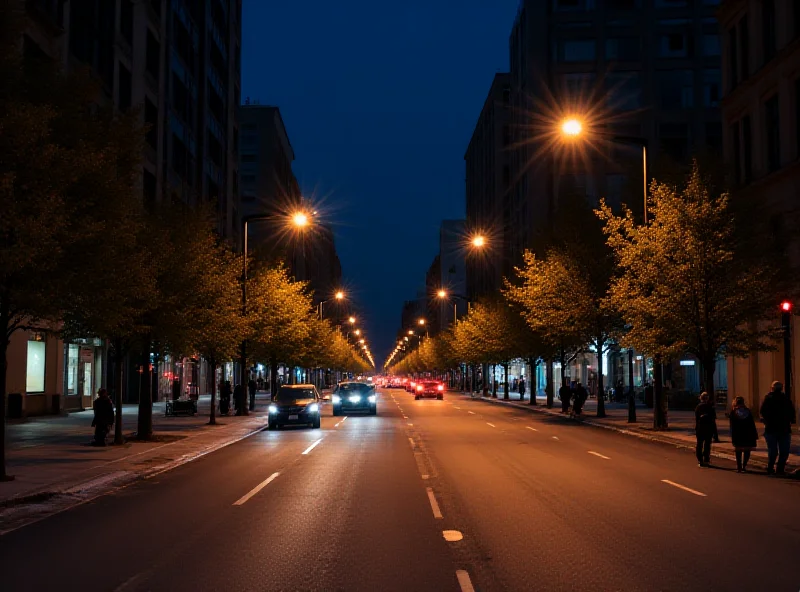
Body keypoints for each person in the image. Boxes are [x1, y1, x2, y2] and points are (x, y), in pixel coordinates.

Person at [759, 381, 796, 475]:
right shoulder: (785, 398)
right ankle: (779, 468)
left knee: (773, 451)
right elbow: (792, 412)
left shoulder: (768, 398)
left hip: (771, 428)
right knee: (784, 451)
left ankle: (771, 467)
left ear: (772, 388)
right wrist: (791, 420)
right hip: (784, 428)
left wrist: (767, 420)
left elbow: (762, 411)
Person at [729, 396, 758, 473]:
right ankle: (744, 465)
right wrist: (754, 434)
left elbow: (732, 425)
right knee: (747, 450)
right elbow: (752, 424)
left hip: (737, 433)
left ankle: (739, 466)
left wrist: (731, 434)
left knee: (738, 450)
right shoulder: (748, 411)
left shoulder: (733, 412)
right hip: (748, 433)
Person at [694, 392, 717, 467]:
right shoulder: (710, 407)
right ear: (707, 398)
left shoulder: (698, 407)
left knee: (699, 444)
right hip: (709, 428)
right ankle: (706, 459)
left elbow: (697, 418)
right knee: (707, 444)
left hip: (700, 428)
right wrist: (715, 433)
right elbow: (713, 419)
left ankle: (700, 460)